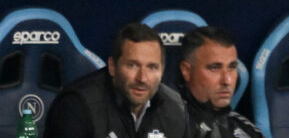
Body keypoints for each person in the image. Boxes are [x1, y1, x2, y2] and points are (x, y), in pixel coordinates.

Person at [43, 23, 188, 138]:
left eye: (152, 67)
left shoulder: (175, 108)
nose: (142, 78)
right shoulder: (76, 106)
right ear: (112, 66)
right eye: (132, 65)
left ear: (162, 71)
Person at [178, 26, 264, 138]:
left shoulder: (247, 130)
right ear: (187, 71)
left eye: (232, 67)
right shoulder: (162, 126)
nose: (227, 80)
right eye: (214, 68)